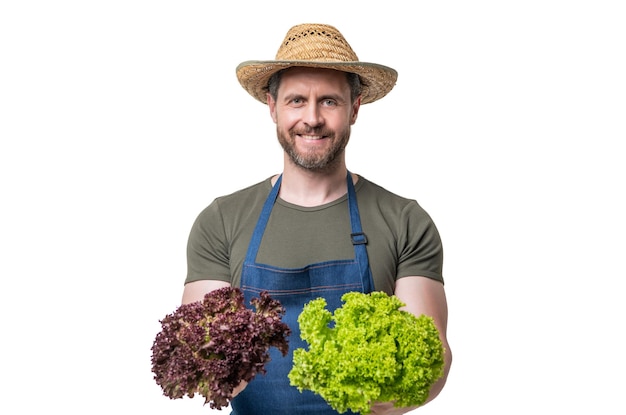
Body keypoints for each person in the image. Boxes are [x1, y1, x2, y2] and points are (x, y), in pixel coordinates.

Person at [181, 23, 452, 415]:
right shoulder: (222, 220)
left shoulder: (404, 220)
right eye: (296, 101)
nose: (312, 118)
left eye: (328, 101)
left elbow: (430, 355)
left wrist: (389, 392)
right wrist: (214, 370)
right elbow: (195, 342)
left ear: (354, 108)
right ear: (272, 108)